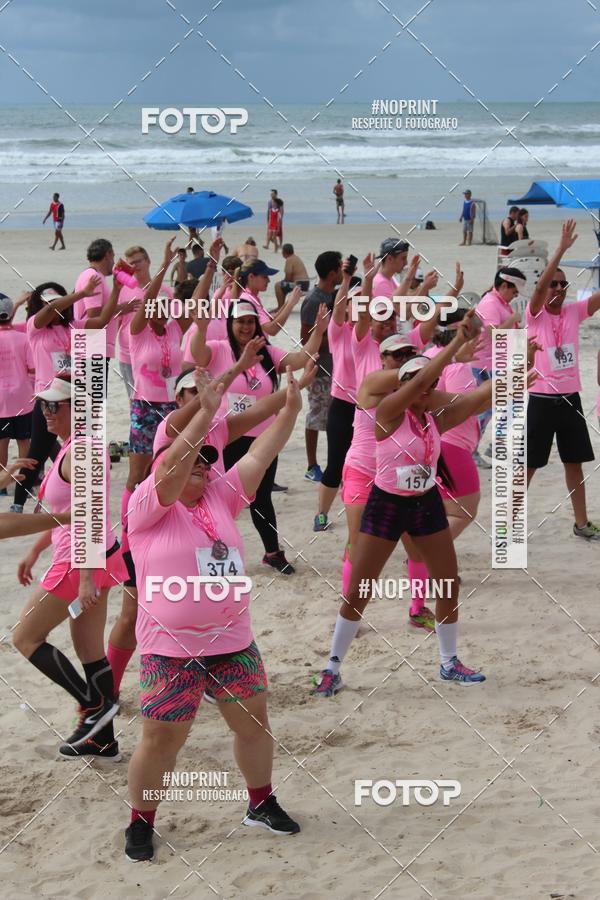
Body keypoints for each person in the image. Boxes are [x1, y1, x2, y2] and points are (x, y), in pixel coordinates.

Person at [124, 372, 303, 861]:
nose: (201, 466)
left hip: (232, 642)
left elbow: (262, 453)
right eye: (191, 461)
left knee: (253, 725)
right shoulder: (147, 506)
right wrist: (205, 413)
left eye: (208, 461)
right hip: (171, 649)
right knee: (161, 740)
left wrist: (289, 405)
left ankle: (260, 803)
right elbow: (173, 464)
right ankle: (141, 822)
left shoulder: (221, 497)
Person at [106, 360, 318, 699]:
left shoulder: (216, 439)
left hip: (204, 519)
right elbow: (173, 466)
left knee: (201, 586)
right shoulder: (170, 431)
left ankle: (206, 664)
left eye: (206, 387)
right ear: (180, 398)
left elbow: (259, 441)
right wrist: (207, 401)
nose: (204, 392)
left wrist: (292, 401)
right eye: (193, 389)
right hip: (153, 521)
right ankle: (108, 691)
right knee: (133, 611)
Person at [313, 312, 493, 698]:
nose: (427, 392)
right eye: (420, 385)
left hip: (424, 503)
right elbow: (418, 386)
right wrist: (453, 348)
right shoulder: (387, 412)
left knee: (447, 582)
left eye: (428, 387)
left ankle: (448, 661)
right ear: (409, 387)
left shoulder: (433, 418)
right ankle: (332, 666)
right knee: (361, 587)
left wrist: (519, 366)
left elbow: (480, 398)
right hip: (387, 502)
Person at [13, 374, 127, 758]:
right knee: (89, 649)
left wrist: (84, 580)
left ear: (76, 410)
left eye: (52, 406)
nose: (44, 413)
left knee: (24, 638)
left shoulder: (82, 451)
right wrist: (34, 551)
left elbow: (91, 515)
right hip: (92, 557)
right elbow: (65, 514)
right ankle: (103, 739)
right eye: (42, 405)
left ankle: (93, 706)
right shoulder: (72, 448)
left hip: (80, 562)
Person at [190, 297, 329, 574]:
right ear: (230, 324)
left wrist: (319, 331)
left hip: (264, 438)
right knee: (216, 497)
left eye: (250, 321)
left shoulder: (267, 353)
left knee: (261, 497)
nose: (245, 326)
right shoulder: (218, 350)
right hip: (228, 436)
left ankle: (272, 553)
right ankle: (214, 555)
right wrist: (201, 328)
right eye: (240, 321)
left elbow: (301, 359)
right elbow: (197, 354)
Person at [10, 276, 120, 513]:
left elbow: (102, 320)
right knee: (36, 454)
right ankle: (18, 504)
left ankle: (84, 497)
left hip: (76, 397)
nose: (55, 306)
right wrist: (81, 294)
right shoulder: (34, 327)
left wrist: (117, 290)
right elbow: (49, 310)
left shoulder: (74, 326)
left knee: (85, 446)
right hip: (48, 399)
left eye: (59, 301)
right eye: (50, 303)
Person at [526, 219, 600, 540]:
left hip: (571, 400)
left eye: (563, 285)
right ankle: (509, 528)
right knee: (528, 467)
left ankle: (581, 524)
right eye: (554, 284)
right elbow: (541, 288)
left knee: (575, 464)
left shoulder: (573, 312)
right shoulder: (535, 313)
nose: (557, 289)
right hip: (541, 400)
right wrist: (561, 249)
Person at [313, 265, 357, 530]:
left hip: (371, 408)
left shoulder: (375, 334)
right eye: (353, 303)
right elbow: (339, 308)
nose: (356, 307)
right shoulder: (339, 332)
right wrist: (348, 280)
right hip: (342, 405)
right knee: (335, 464)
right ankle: (321, 513)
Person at [470, 267, 524, 467]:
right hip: (486, 365)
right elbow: (494, 334)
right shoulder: (490, 303)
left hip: (499, 363)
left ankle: (496, 446)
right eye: (513, 291)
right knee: (486, 410)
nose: (515, 295)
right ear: (503, 286)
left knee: (509, 406)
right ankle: (473, 449)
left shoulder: (501, 302)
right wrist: (512, 320)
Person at [300, 251, 343, 482]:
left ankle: (331, 463)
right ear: (332, 273)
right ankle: (311, 466)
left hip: (335, 368)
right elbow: (304, 338)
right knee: (316, 417)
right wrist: (335, 339)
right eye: (339, 269)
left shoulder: (334, 296)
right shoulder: (314, 300)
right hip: (319, 368)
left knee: (333, 418)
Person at [0, 294, 34, 493]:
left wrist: (18, 303)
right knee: (24, 440)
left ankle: (2, 484)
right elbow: (31, 368)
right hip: (22, 396)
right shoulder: (23, 338)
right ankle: (25, 480)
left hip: (1, 401)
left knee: (1, 442)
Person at [237, 259, 301, 337]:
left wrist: (289, 301)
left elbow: (270, 319)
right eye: (264, 277)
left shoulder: (251, 296)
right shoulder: (248, 300)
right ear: (251, 277)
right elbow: (271, 330)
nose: (268, 280)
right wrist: (291, 304)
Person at [274, 244, 310, 309]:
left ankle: (280, 307)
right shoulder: (296, 257)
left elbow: (288, 276)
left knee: (278, 285)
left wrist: (283, 281)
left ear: (284, 252)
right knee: (283, 285)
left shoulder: (289, 259)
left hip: (299, 284)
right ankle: (282, 307)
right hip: (305, 283)